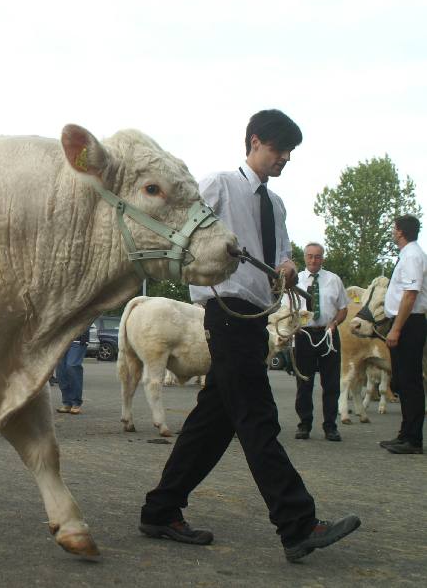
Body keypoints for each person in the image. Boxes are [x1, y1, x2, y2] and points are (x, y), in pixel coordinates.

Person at [139, 110, 359, 562]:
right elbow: (186, 232)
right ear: (255, 142)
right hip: (225, 309)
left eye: (290, 153)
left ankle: (160, 510)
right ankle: (296, 523)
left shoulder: (276, 206)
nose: (285, 159)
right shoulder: (220, 184)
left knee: (212, 423)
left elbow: (279, 256)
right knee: (258, 419)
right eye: (280, 149)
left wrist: (288, 266)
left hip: (256, 315)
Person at [380, 214, 427, 454]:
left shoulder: (412, 256)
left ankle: (414, 440)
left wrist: (397, 328)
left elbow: (411, 294)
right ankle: (405, 433)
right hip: (403, 321)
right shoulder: (408, 255)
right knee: (401, 380)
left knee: (410, 382)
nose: (392, 231)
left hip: (409, 323)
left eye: (394, 228)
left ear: (400, 232)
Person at [292, 242, 349, 442]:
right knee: (304, 383)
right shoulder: (295, 280)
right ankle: (304, 425)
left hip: (328, 335)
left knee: (331, 383)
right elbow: (287, 308)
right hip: (304, 335)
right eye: (310, 256)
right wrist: (293, 325)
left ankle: (330, 427)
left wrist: (334, 323)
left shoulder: (334, 280)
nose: (313, 260)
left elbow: (343, 309)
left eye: (317, 256)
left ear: (322, 258)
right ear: (305, 257)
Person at [55, 326, 90, 414]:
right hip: (61, 340)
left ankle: (76, 403)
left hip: (78, 339)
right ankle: (67, 403)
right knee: (60, 369)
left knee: (72, 366)